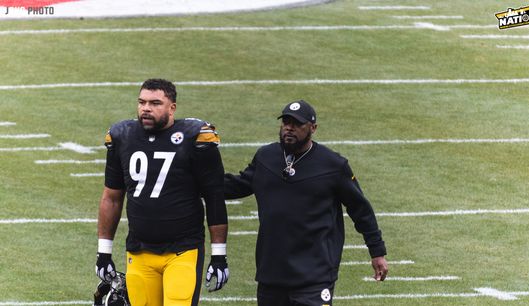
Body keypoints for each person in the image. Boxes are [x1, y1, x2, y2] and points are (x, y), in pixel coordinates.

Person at [224, 100, 388, 306]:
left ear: (313, 128)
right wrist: (195, 178)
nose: (289, 128)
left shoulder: (333, 165)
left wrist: (377, 251)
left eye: (297, 124)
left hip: (315, 275)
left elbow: (360, 209)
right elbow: (237, 185)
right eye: (286, 122)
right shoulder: (266, 157)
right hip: (272, 273)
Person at [95, 78, 229, 306]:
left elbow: (214, 197)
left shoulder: (195, 137)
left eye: (155, 103)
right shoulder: (123, 136)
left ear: (172, 108)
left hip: (183, 250)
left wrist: (219, 255)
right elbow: (112, 197)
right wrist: (103, 252)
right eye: (142, 102)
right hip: (139, 251)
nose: (146, 108)